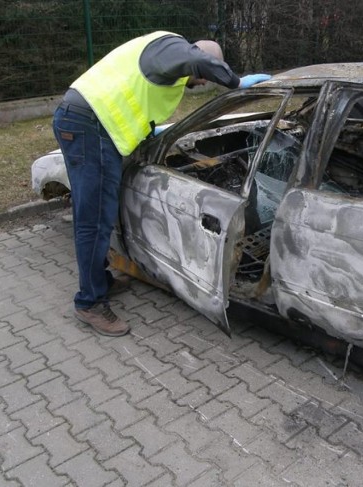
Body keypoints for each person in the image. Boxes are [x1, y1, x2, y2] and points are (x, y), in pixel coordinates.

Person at [52, 31, 271, 337]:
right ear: (200, 61)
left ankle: (99, 283)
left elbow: (137, 103)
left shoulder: (166, 66)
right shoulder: (171, 48)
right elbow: (195, 60)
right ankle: (89, 302)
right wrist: (236, 82)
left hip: (95, 127)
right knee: (94, 221)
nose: (205, 82)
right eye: (206, 74)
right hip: (89, 126)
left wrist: (149, 133)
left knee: (98, 215)